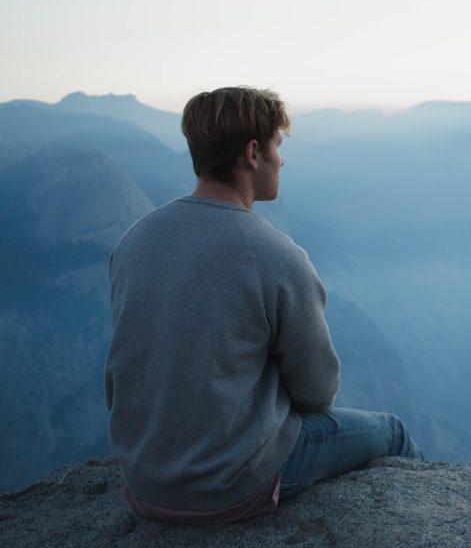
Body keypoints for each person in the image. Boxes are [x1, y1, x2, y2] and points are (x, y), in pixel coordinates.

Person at [104, 86, 423, 524]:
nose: (282, 159)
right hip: (230, 488)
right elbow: (317, 391)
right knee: (394, 432)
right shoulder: (275, 256)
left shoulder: (133, 241)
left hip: (142, 486)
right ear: (253, 153)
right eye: (278, 145)